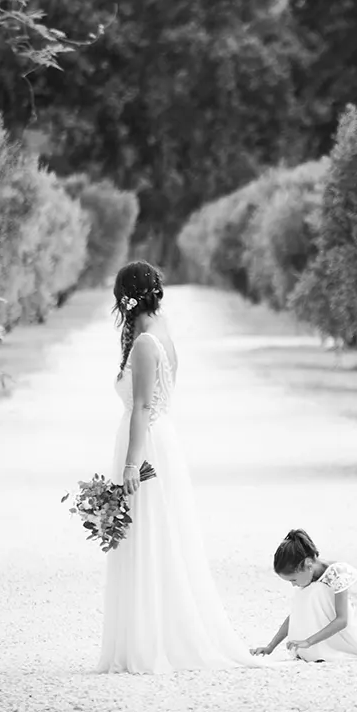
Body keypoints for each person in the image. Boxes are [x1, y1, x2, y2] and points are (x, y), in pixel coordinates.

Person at [97, 260, 264, 673]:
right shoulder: (162, 331)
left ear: (125, 298)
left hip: (146, 445)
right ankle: (150, 634)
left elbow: (142, 407)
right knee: (156, 535)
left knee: (149, 535)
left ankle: (150, 642)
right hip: (158, 439)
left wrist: (132, 463)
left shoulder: (145, 343)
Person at [252, 529, 357, 662]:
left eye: (293, 579)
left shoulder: (337, 573)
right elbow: (295, 614)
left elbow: (342, 620)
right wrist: (270, 646)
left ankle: (325, 648)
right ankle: (316, 648)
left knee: (315, 592)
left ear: (308, 565)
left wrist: (309, 642)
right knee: (307, 594)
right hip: (334, 621)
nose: (293, 584)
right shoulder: (310, 576)